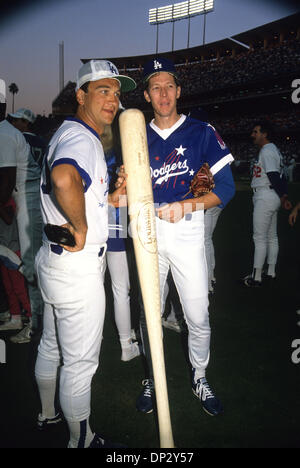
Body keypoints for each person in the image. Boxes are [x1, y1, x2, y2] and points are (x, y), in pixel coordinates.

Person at [34, 59, 136, 449]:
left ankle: (46, 414)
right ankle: (81, 440)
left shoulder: (69, 131)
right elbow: (64, 178)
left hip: (53, 261)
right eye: (102, 90)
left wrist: (107, 199)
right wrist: (81, 227)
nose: (112, 99)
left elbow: (77, 187)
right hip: (76, 267)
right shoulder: (82, 138)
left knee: (51, 345)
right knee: (79, 365)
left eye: (116, 92)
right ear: (81, 95)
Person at [135, 57, 235, 417]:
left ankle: (200, 375)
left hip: (187, 227)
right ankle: (152, 377)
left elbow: (226, 187)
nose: (163, 94)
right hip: (146, 229)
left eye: (169, 86)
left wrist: (189, 205)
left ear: (178, 91)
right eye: (155, 87)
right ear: (146, 94)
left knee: (197, 313)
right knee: (149, 314)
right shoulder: (135, 133)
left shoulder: (201, 131)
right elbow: (121, 189)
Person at [0, 107, 44, 338]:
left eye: (20, 120)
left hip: (27, 196)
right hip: (30, 193)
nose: (17, 122)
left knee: (30, 263)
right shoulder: (23, 136)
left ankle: (36, 323)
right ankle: (34, 319)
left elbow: (7, 180)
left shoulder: (7, 135)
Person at [101, 117, 140, 362]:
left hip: (93, 224)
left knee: (94, 288)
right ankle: (126, 344)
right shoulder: (122, 156)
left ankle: (93, 338)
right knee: (120, 289)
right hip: (116, 223)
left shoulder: (92, 149)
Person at [241, 121, 292, 287]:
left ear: (265, 134)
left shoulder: (267, 150)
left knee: (260, 237)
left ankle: (256, 277)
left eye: (256, 132)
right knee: (271, 236)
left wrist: (283, 197)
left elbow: (273, 176)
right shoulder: (273, 149)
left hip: (265, 194)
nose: (253, 135)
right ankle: (270, 271)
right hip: (271, 195)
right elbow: (280, 177)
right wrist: (282, 196)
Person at [0, 197, 32, 343]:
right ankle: (15, 317)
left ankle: (32, 321)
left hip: (13, 249)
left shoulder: (10, 199)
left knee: (19, 288)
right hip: (3, 247)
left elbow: (8, 219)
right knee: (8, 287)